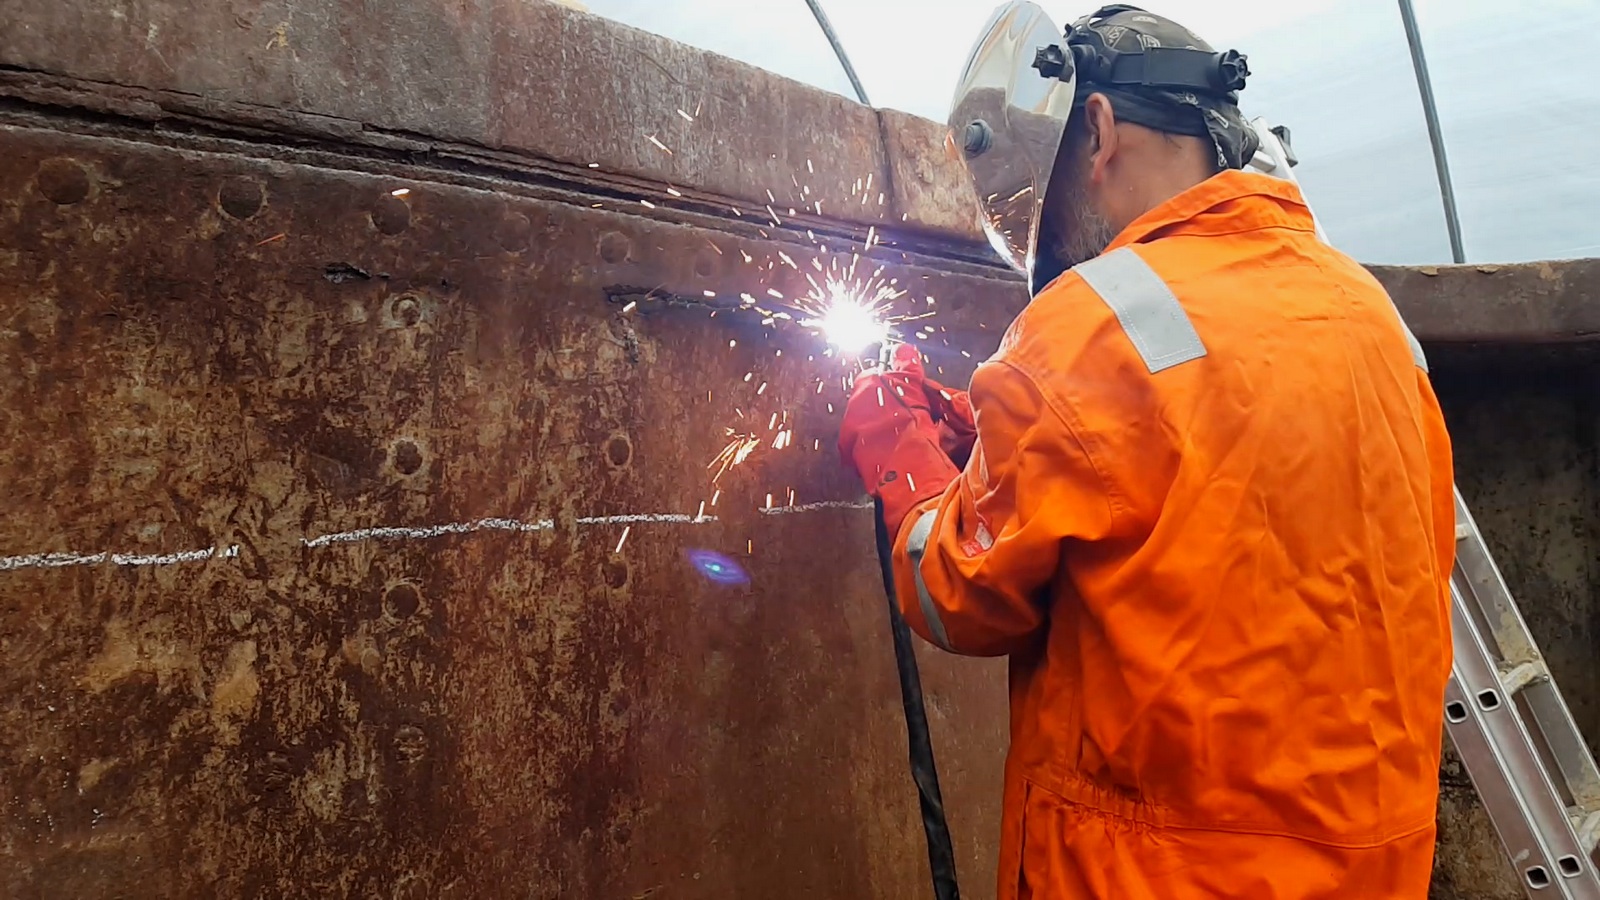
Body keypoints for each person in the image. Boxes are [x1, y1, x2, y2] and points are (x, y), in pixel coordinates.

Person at [837, 4, 1456, 898]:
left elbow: (960, 596)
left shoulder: (1091, 320)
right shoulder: (1366, 311)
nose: (1046, 238)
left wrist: (901, 449)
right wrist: (993, 450)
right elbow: (1204, 496)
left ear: (1097, 129)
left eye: (1039, 203)